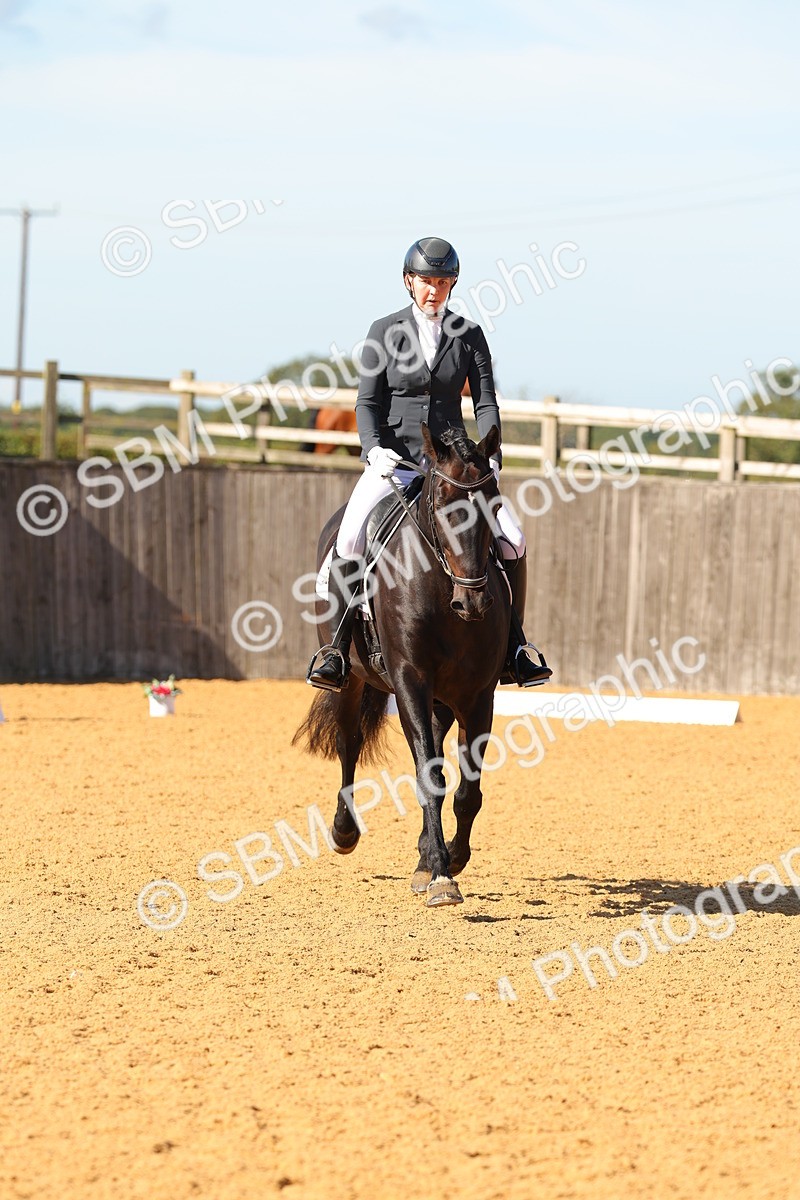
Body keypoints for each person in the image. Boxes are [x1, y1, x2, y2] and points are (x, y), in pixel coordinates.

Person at [308, 236, 552, 692]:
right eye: (426, 282)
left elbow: (485, 403)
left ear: (452, 284)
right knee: (349, 536)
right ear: (409, 282)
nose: (434, 291)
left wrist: (490, 455)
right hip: (394, 462)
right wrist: (372, 447)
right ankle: (336, 651)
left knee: (514, 539)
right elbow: (366, 401)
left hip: (454, 466)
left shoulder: (469, 335)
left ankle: (515, 646)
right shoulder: (384, 330)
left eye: (443, 282)